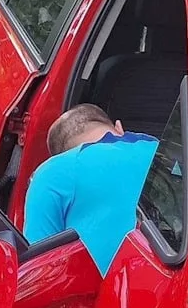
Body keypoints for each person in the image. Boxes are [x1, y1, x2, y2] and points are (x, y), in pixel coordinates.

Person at [23, 104, 159, 275]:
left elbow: (38, 270)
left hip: (122, 296)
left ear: (60, 154)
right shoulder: (161, 151)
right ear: (119, 127)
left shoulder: (53, 172)